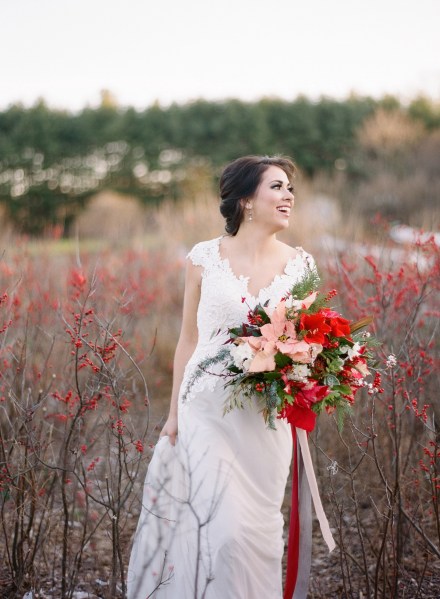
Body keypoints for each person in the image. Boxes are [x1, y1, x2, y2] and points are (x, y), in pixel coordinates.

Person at [127, 155, 331, 599]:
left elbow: (310, 344)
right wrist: (174, 414)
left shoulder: (302, 265)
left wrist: (305, 369)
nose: (288, 196)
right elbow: (187, 339)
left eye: (290, 188)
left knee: (255, 537)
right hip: (205, 410)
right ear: (246, 201)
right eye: (276, 187)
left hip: (265, 418)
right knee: (220, 532)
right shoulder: (203, 258)